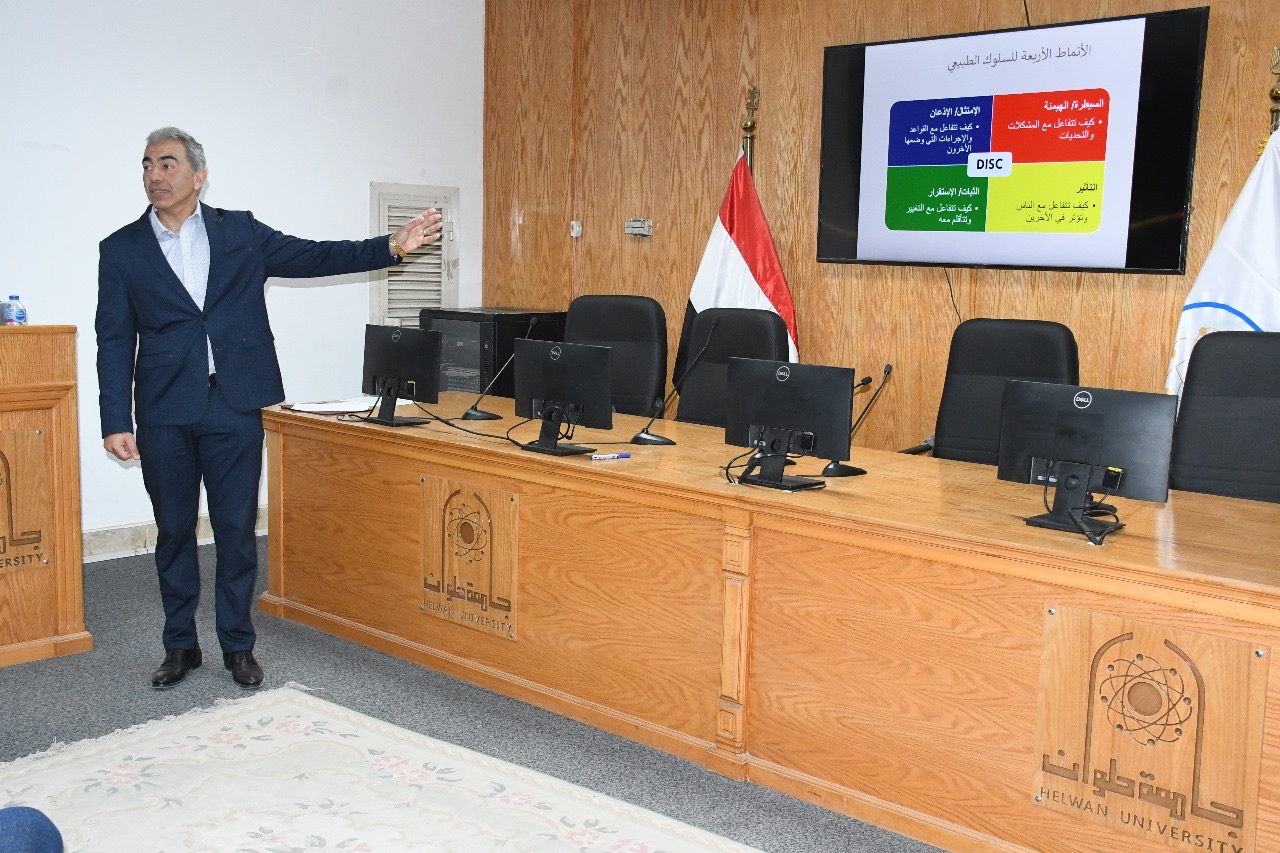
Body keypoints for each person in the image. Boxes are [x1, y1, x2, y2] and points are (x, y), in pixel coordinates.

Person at [96, 127, 443, 690]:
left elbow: (315, 255)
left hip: (234, 402)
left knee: (235, 530)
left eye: (167, 164)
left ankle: (238, 645)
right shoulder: (121, 249)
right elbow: (113, 339)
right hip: (164, 409)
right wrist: (116, 420)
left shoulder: (240, 231)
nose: (155, 175)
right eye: (147, 165)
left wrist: (391, 246)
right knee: (174, 532)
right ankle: (180, 646)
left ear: (198, 176)